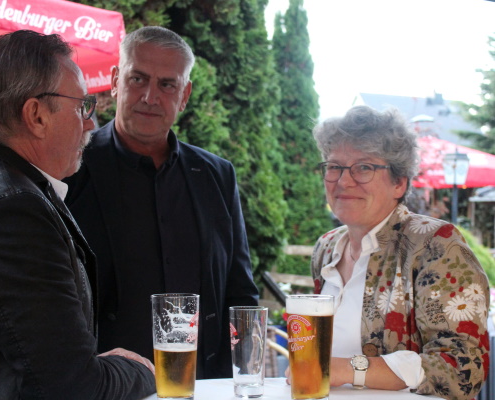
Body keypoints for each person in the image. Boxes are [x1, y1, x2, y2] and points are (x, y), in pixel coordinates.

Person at [0, 30, 156, 399]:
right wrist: (140, 369)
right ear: (36, 116)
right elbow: (75, 387)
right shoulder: (12, 214)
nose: (90, 124)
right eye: (82, 105)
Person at [64, 26, 259, 379]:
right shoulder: (70, 167)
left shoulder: (217, 175)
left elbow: (240, 291)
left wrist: (245, 375)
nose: (150, 96)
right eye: (138, 78)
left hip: (203, 385)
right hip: (105, 387)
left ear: (185, 95)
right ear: (114, 80)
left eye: (167, 85)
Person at [287, 105, 490, 400]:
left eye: (364, 167)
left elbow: (464, 368)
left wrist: (348, 369)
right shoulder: (327, 247)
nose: (343, 181)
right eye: (334, 166)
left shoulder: (435, 244)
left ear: (399, 182)